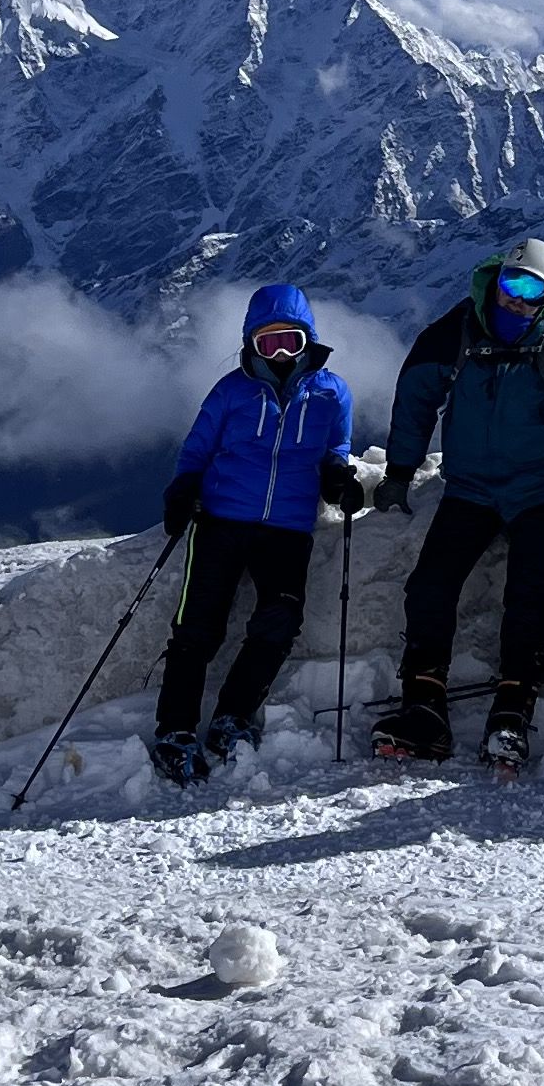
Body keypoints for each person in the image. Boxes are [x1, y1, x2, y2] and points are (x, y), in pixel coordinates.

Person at [371, 236, 544, 768]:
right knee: (431, 585)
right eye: (510, 286)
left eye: (532, 291)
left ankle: (513, 710)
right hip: (471, 489)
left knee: (529, 597)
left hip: (541, 493)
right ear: (495, 281)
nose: (517, 302)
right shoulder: (455, 337)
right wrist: (400, 472)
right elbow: (415, 399)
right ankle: (424, 706)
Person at [150, 282, 359, 783]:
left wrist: (336, 476)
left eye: (291, 340)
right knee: (197, 627)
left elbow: (339, 444)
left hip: (287, 528)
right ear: (250, 344)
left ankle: (232, 717)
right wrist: (182, 488)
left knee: (278, 623)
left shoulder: (332, 392)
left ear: (308, 340)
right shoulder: (231, 391)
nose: (282, 354)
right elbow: (197, 448)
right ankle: (174, 729)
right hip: (221, 520)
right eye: (269, 343)